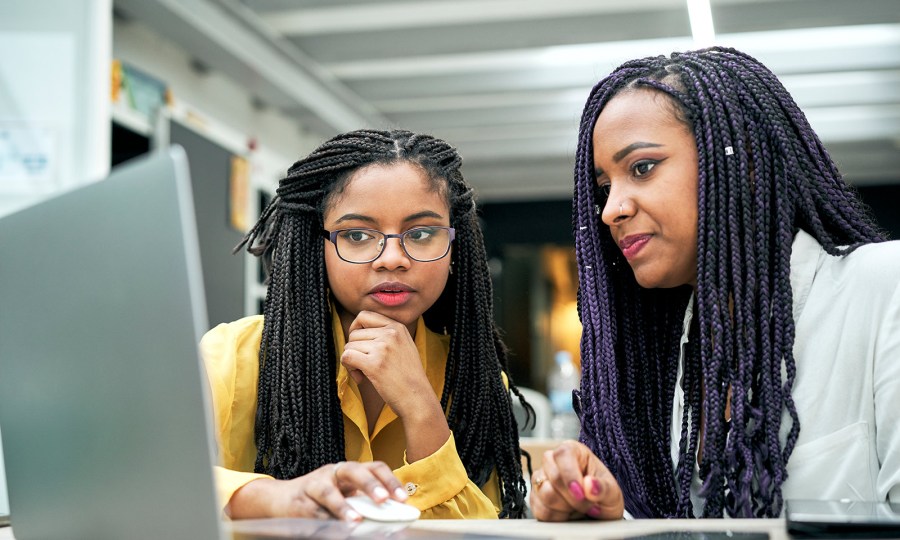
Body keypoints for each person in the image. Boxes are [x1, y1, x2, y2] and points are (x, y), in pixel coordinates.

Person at [530, 47, 900, 521]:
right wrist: (608, 520)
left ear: (739, 160)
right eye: (605, 187)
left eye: (642, 167)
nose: (611, 209)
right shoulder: (684, 351)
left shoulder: (882, 288)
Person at [201, 129, 531, 521]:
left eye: (422, 233)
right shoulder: (233, 355)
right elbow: (150, 477)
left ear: (454, 249)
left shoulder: (473, 379)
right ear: (316, 246)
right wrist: (277, 497)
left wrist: (422, 410)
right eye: (357, 235)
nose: (391, 258)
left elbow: (485, 529)